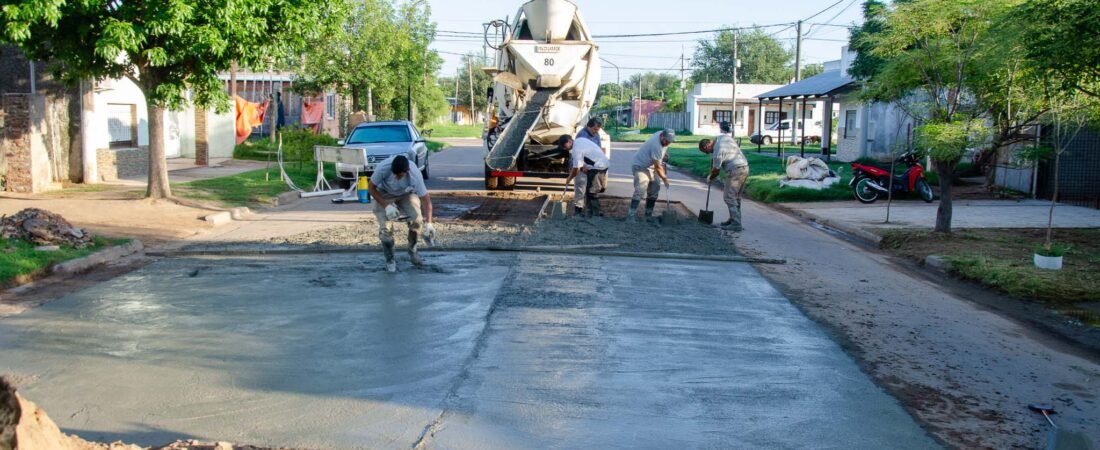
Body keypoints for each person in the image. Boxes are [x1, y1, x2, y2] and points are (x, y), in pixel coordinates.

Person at [368, 155, 435, 272]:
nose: (396, 177)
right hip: (384, 193)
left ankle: (412, 249)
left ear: (407, 171)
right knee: (385, 228)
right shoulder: (383, 168)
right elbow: (371, 188)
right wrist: (386, 206)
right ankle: (390, 260)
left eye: (399, 175)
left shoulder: (415, 175)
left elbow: (426, 200)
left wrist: (429, 224)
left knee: (417, 220)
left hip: (406, 194)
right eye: (394, 174)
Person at [698, 121, 749, 231]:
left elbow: (716, 170)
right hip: (744, 168)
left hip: (735, 171)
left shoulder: (717, 152)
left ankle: (736, 224)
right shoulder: (723, 138)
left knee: (729, 197)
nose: (708, 154)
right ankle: (733, 219)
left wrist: (711, 177)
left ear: (707, 145)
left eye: (706, 151)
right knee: (735, 197)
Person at [628, 128, 675, 221]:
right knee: (641, 188)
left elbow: (658, 161)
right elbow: (658, 167)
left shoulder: (660, 134)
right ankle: (630, 216)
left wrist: (663, 155)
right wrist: (665, 179)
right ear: (662, 136)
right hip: (640, 166)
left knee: (655, 189)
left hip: (651, 166)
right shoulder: (656, 145)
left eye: (670, 142)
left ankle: (648, 215)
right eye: (666, 141)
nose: (668, 143)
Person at [558, 135, 610, 217]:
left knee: (592, 191)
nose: (565, 149)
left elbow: (576, 169)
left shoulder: (576, 149)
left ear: (569, 141)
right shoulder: (579, 140)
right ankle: (590, 213)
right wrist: (585, 165)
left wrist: (569, 178)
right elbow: (586, 155)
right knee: (590, 190)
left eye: (565, 146)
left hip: (599, 167)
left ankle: (596, 214)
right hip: (600, 164)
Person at [575, 117, 612, 191]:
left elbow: (598, 148)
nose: (596, 131)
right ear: (588, 126)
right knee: (583, 190)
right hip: (584, 166)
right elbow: (579, 153)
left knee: (593, 190)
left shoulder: (596, 134)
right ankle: (582, 202)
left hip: (593, 166)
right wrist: (583, 166)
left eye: (598, 130)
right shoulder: (582, 135)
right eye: (594, 129)